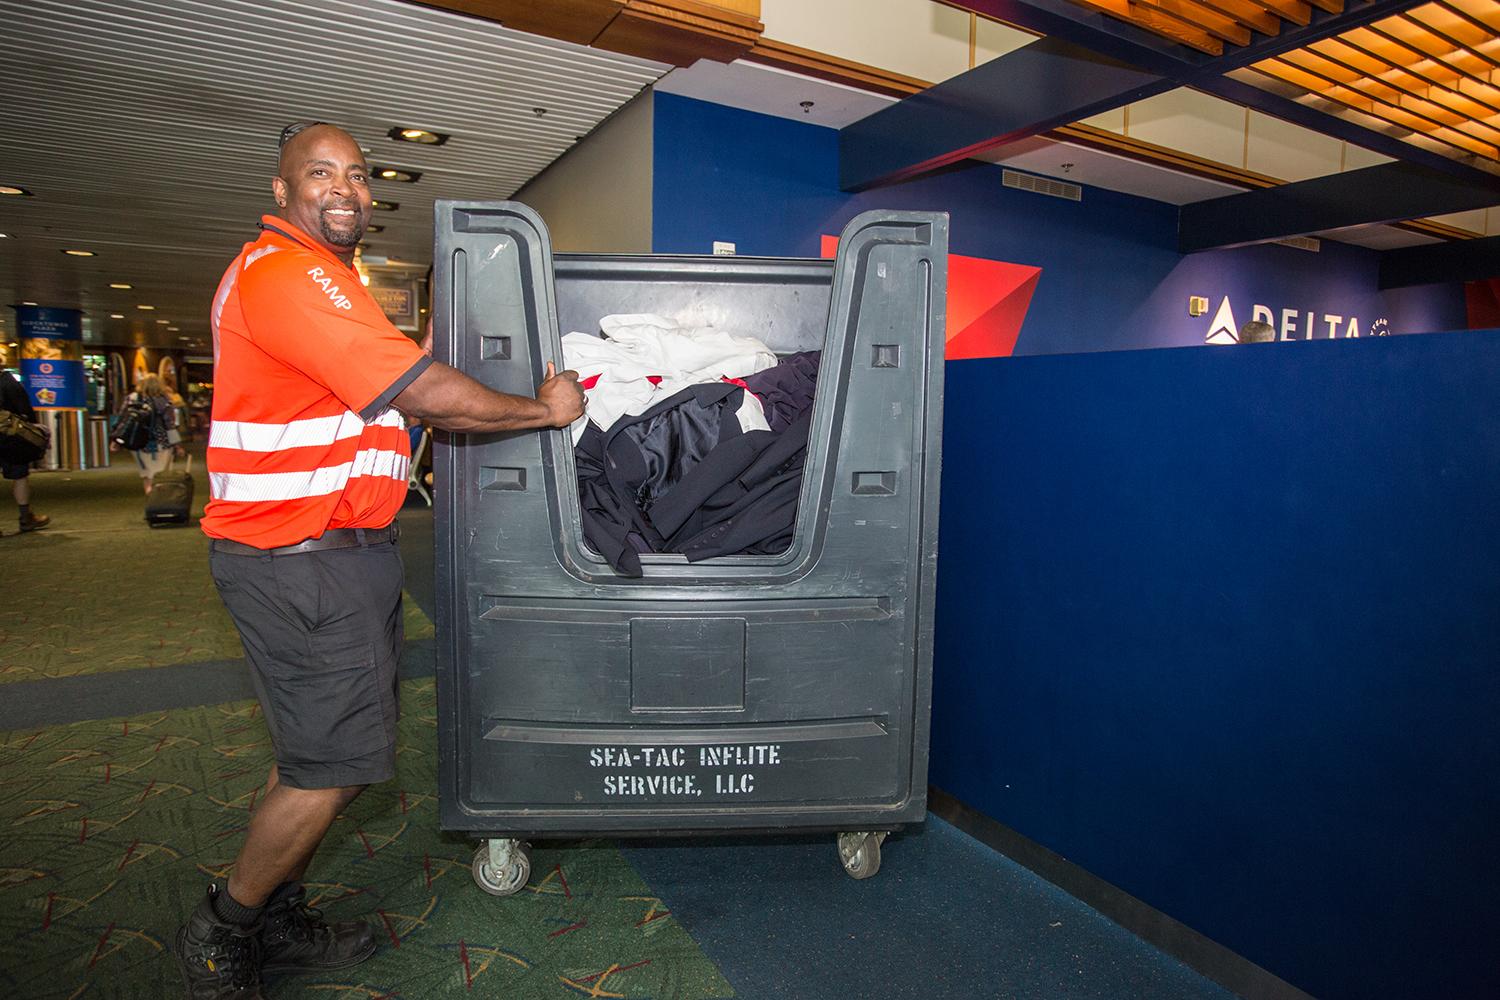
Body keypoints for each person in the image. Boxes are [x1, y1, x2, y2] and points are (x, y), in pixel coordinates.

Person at [174, 121, 584, 1000]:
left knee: (321, 754)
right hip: (299, 560)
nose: (345, 189)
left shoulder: (329, 283)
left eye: (358, 176)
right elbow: (426, 395)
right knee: (336, 764)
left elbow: (383, 394)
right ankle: (222, 930)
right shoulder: (286, 275)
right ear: (281, 190)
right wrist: (545, 411)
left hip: (333, 554)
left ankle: (276, 915)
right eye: (320, 173)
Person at [0, 368, 51, 535]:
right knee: (20, 476)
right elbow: (24, 409)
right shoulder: (7, 381)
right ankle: (25, 518)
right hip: (9, 437)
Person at [119, 373, 186, 494]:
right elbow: (169, 424)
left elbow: (122, 418)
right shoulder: (164, 400)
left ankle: (149, 495)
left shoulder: (132, 398)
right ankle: (157, 498)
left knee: (146, 474)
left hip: (137, 440)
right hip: (161, 442)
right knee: (158, 474)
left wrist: (116, 439)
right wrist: (177, 445)